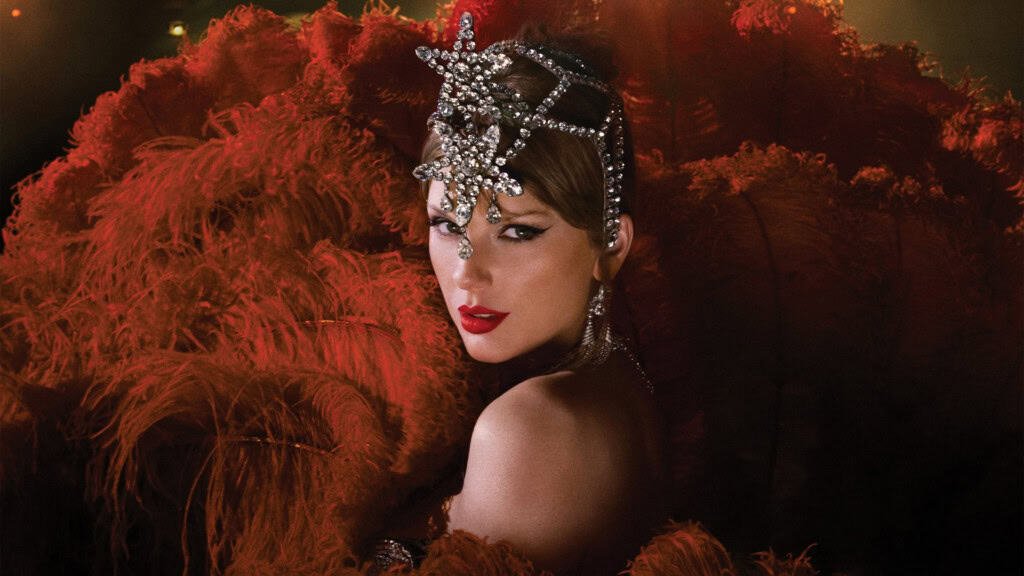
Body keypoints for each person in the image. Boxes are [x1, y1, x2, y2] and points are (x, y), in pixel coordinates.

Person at [375, 13, 668, 575]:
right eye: (446, 224)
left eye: (517, 231)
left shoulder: (528, 430)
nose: (467, 274)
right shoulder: (618, 381)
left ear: (611, 244)